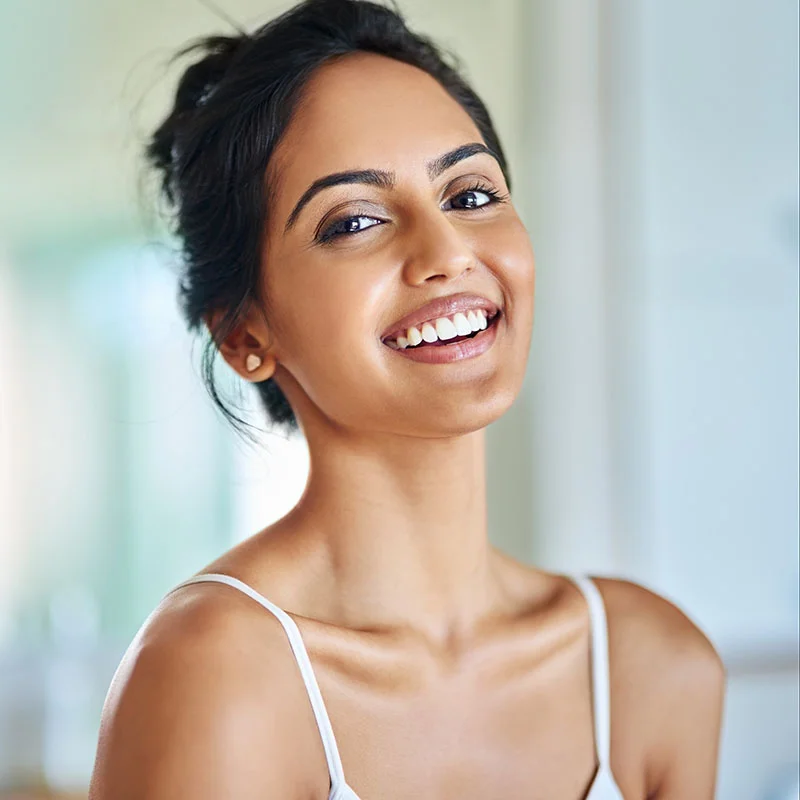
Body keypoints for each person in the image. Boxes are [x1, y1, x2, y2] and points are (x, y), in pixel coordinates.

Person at [89, 1, 726, 797]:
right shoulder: (216, 676)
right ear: (245, 334)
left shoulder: (652, 667)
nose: (447, 251)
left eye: (468, 195)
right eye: (354, 220)